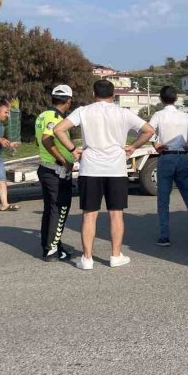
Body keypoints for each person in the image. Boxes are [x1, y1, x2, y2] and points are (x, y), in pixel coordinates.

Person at [53, 80, 155, 270]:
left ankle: (87, 258)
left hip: (90, 168)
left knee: (89, 215)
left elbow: (58, 129)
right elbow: (149, 130)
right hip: (116, 169)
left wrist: (73, 149)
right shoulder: (123, 112)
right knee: (116, 214)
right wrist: (133, 147)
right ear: (113, 95)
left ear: (94, 94)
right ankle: (115, 256)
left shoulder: (83, 111)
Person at [148, 86, 188, 246]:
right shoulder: (186, 116)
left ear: (161, 99)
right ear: (176, 99)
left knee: (163, 198)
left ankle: (164, 236)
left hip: (166, 156)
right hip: (182, 156)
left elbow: (148, 130)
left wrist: (155, 142)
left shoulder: (158, 115)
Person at [35, 85, 75, 262]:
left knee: (50, 210)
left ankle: (50, 245)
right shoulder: (54, 117)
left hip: (46, 168)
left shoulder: (43, 115)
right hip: (55, 170)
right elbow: (46, 139)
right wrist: (63, 160)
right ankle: (52, 250)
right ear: (68, 101)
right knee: (60, 209)